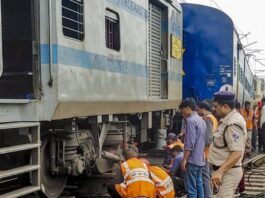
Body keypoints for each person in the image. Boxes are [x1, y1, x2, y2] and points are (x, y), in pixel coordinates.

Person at [209, 91, 247, 197]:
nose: (214, 109)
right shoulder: (227, 119)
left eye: (216, 106)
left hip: (228, 172)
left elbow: (237, 153)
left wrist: (220, 171)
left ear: (225, 106)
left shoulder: (233, 123)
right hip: (224, 171)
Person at [179, 99, 206, 198]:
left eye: (182, 110)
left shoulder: (191, 121)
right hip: (200, 159)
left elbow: (190, 143)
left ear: (187, 108)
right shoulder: (201, 120)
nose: (182, 113)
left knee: (191, 188)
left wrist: (184, 159)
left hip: (192, 159)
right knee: (199, 184)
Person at [198, 101, 218, 198]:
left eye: (199, 109)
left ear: (203, 108)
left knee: (205, 177)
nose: (198, 111)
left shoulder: (207, 119)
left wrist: (201, 149)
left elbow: (207, 138)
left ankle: (208, 196)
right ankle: (211, 193)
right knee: (208, 175)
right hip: (211, 151)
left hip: (206, 152)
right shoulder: (212, 118)